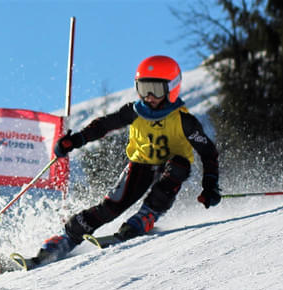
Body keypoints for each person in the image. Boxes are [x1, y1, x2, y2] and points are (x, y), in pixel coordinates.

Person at [29, 55, 220, 267]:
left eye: (156, 90)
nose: (149, 96)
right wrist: (75, 140)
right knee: (110, 207)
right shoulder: (135, 111)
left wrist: (210, 185)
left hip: (171, 167)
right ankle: (67, 237)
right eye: (143, 88)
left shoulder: (184, 120)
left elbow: (208, 152)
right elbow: (104, 125)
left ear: (172, 89)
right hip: (141, 166)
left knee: (179, 166)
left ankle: (148, 215)